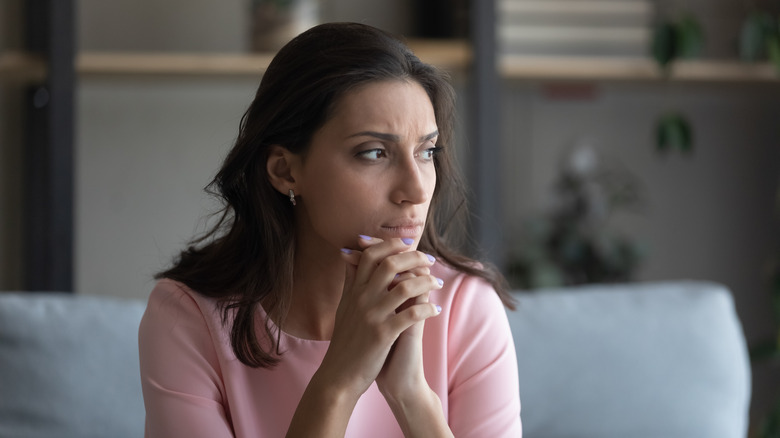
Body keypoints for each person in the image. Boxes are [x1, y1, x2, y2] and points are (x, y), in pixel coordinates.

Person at [138, 22, 522, 437]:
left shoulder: (467, 308)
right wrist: (338, 382)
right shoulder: (188, 317)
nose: (415, 189)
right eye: (374, 153)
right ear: (285, 171)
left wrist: (411, 395)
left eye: (426, 151)